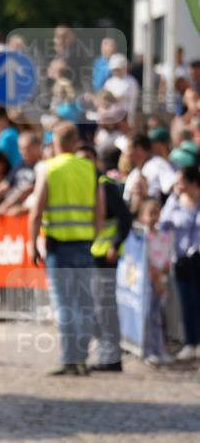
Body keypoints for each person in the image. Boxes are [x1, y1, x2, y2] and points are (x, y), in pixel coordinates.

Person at [29, 121, 104, 376]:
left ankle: (69, 358)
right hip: (84, 245)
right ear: (75, 143)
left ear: (56, 143)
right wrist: (93, 236)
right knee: (83, 303)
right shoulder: (89, 168)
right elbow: (100, 209)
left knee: (63, 305)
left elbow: (36, 211)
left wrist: (32, 244)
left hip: (58, 247)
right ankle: (81, 357)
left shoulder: (49, 168)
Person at [77, 143, 133, 372]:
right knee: (91, 309)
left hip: (105, 256)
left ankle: (112, 358)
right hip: (89, 254)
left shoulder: (105, 185)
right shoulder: (83, 184)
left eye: (87, 159)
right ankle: (106, 353)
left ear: (96, 161)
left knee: (105, 309)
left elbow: (125, 218)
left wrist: (115, 244)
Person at [158, 165, 200, 360]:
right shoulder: (174, 202)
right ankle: (191, 342)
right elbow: (163, 225)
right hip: (182, 260)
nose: (178, 185)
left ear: (192, 182)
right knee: (187, 301)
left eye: (181, 181)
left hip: (198, 257)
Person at [139, 196, 174, 366]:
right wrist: (156, 279)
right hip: (147, 284)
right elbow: (146, 262)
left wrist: (161, 277)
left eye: (156, 213)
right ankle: (148, 350)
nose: (154, 217)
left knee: (158, 317)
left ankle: (159, 349)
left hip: (160, 282)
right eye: (150, 213)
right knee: (147, 316)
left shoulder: (163, 236)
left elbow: (166, 260)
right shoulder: (141, 238)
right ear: (142, 216)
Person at [123, 134, 176, 204]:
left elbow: (173, 187)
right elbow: (126, 201)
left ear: (139, 149)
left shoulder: (158, 164)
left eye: (128, 149)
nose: (126, 154)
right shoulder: (133, 174)